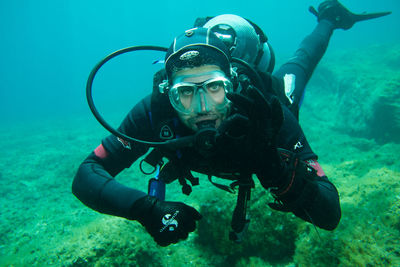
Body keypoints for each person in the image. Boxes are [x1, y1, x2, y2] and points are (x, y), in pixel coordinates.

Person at [73, 1, 390, 246]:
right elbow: (87, 174)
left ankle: (329, 17)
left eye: (214, 87)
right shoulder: (156, 112)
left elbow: (330, 213)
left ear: (232, 84)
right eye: (184, 93)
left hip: (267, 114)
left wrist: (279, 172)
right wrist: (145, 209)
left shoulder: (265, 113)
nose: (201, 108)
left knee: (298, 67)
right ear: (167, 94)